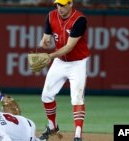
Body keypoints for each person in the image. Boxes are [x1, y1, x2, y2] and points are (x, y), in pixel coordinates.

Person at [38, 0, 90, 141]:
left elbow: (69, 47)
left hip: (77, 63)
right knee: (46, 95)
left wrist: (50, 56)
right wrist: (44, 41)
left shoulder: (79, 20)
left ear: (70, 4)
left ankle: (78, 135)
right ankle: (52, 127)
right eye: (58, 4)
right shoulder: (51, 16)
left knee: (77, 98)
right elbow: (46, 37)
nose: (59, 8)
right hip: (60, 62)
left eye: (63, 4)